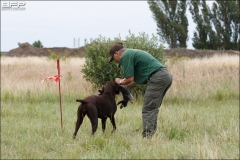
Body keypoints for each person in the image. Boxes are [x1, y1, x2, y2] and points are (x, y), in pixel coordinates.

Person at [108, 42, 172, 138]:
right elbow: (134, 80)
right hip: (165, 76)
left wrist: (119, 81)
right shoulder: (131, 53)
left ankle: (147, 136)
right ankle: (151, 134)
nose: (115, 61)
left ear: (117, 53)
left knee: (148, 108)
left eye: (113, 58)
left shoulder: (125, 56)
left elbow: (129, 78)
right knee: (152, 107)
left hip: (157, 77)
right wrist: (125, 87)